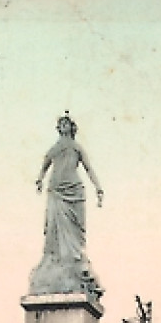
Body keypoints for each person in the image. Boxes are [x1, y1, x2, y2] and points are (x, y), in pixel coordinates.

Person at [30, 113, 103, 295]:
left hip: (73, 189)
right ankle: (57, 260)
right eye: (60, 124)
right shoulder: (55, 148)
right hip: (57, 189)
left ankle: (74, 260)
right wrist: (39, 179)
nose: (63, 126)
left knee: (74, 228)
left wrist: (98, 187)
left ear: (72, 127)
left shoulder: (77, 148)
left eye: (66, 123)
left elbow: (88, 168)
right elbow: (44, 165)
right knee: (55, 226)